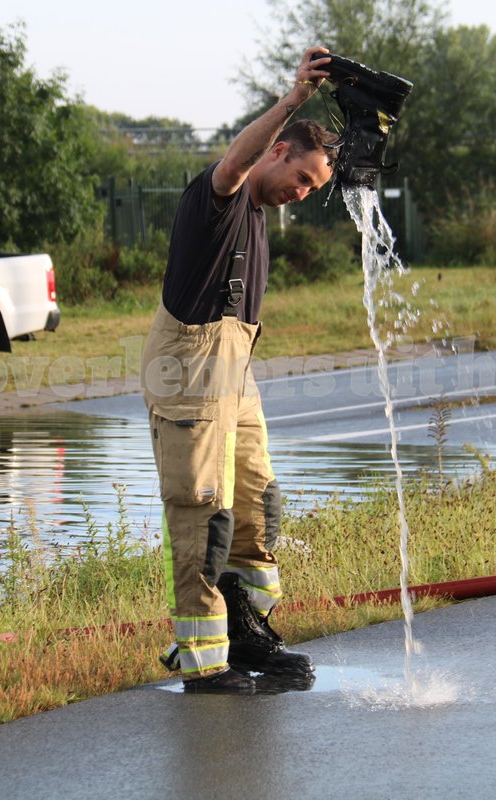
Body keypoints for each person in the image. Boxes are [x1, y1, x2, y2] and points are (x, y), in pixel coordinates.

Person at [141, 46, 338, 695]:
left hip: (235, 375)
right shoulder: (220, 198)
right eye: (301, 178)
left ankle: (246, 632)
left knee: (257, 506)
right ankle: (203, 662)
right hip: (189, 370)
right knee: (202, 515)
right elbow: (232, 162)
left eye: (312, 189)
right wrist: (294, 99)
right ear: (276, 152)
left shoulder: (258, 215)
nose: (301, 194)